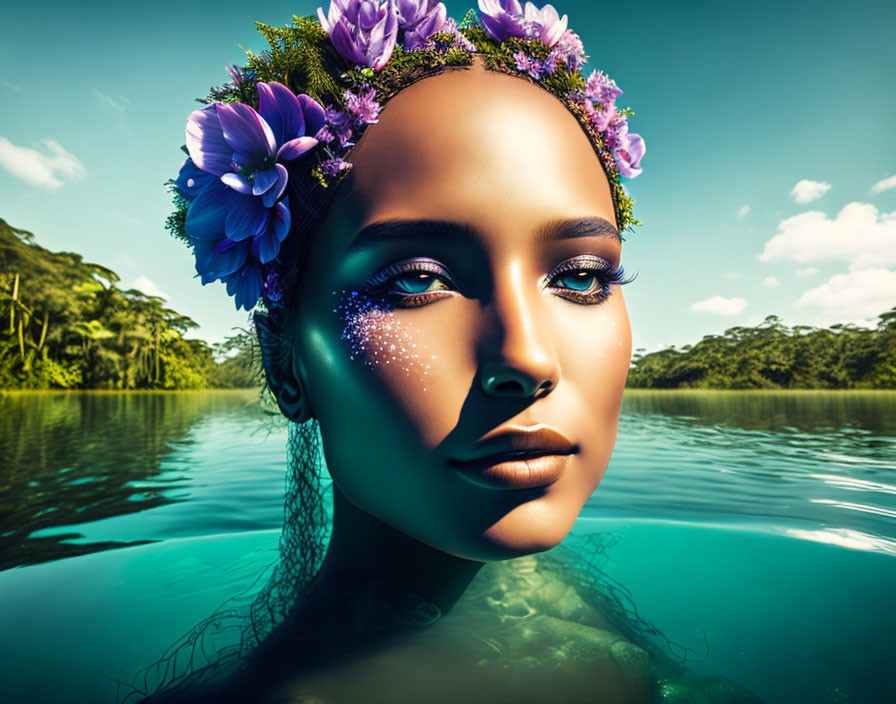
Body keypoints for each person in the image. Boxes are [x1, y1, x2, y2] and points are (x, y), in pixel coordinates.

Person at [126, 3, 760, 702]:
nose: (528, 359)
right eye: (418, 281)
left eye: (581, 276)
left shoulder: (556, 603)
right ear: (287, 364)